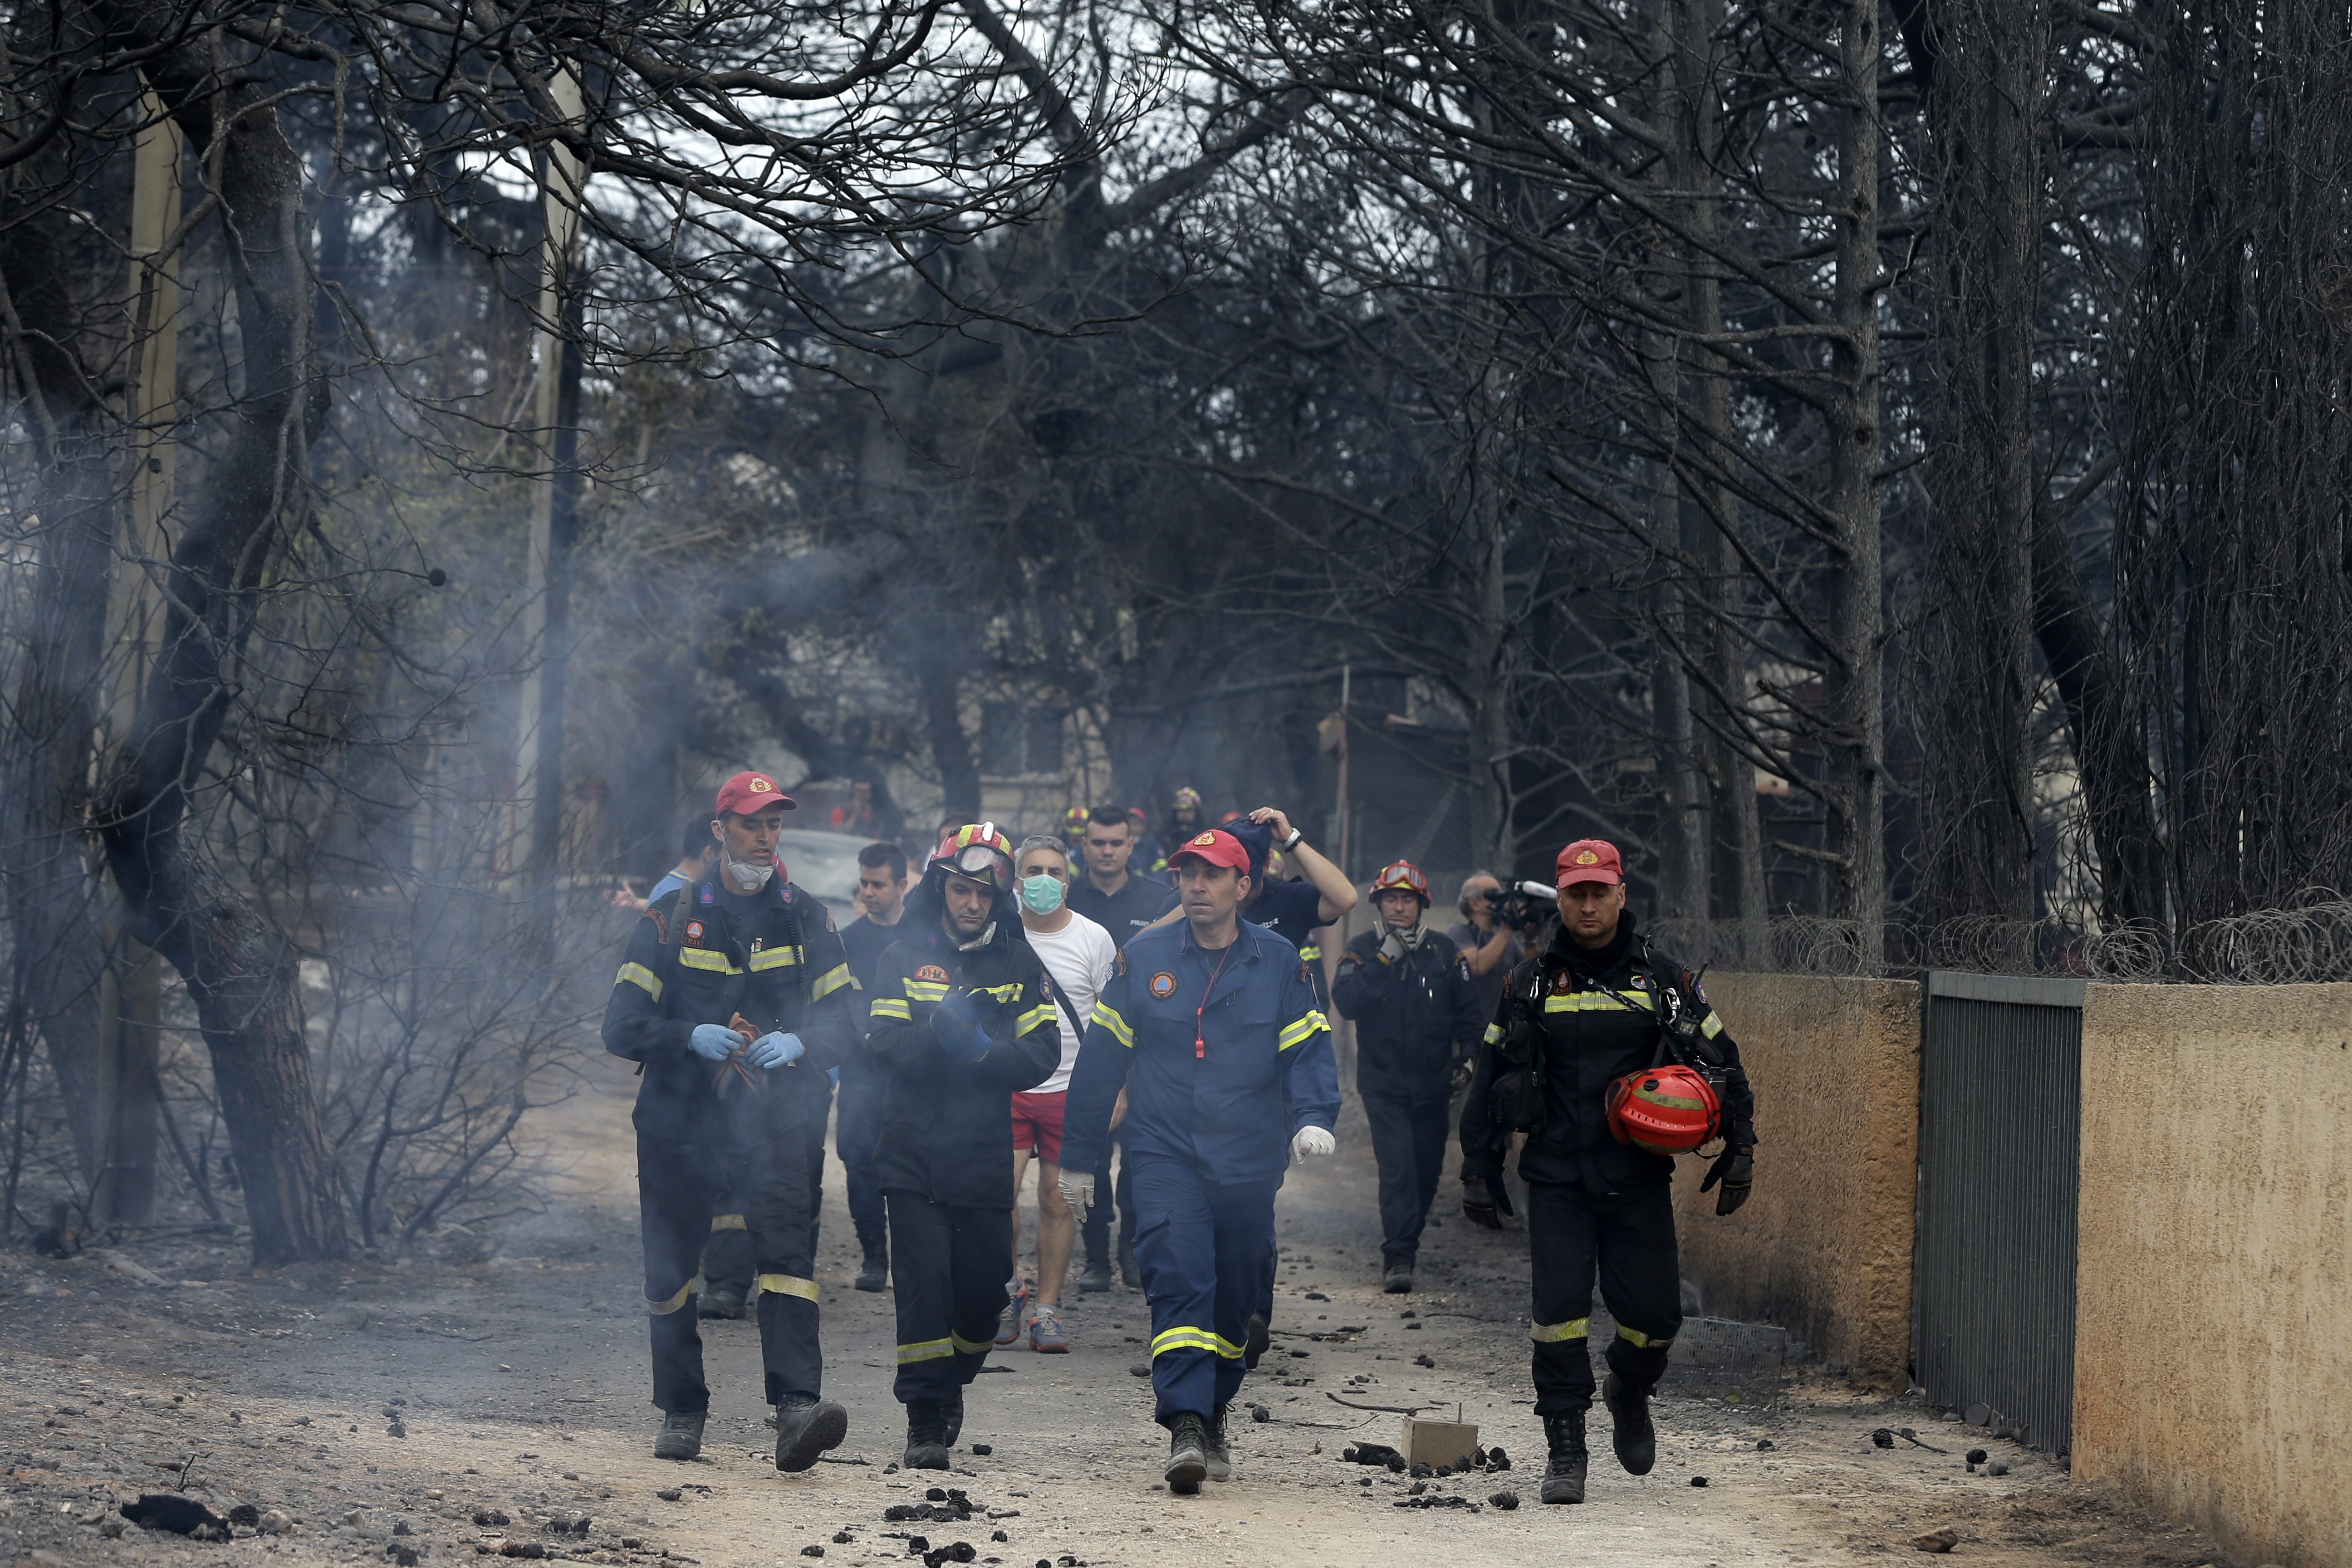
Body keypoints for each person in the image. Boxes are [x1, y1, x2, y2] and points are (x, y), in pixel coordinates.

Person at [1456, 839, 1759, 1506]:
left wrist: (1742, 1146)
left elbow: (1722, 1058)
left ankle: (1629, 1386)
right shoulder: (1529, 981)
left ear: (1622, 895)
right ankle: (1566, 1449)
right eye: (1575, 893)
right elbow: (1492, 1077)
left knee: (1655, 1318)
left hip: (1637, 1176)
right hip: (1558, 1178)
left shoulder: (1660, 977)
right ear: (1559, 898)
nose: (1587, 904)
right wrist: (1478, 1166)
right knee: (1558, 1316)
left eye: (1600, 892)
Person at [1058, 828, 1340, 1495]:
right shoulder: (1144, 956)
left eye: (1212, 876)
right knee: (1179, 1274)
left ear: (1244, 887)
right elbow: (1101, 1066)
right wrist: (1077, 1158)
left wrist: (1313, 1118)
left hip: (1248, 1159)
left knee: (1237, 1291)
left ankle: (1214, 1410)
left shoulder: (1278, 961)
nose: (1196, 887)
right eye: (1187, 875)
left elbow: (1307, 1049)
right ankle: (1184, 1420)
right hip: (1164, 1151)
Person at [601, 771, 862, 1472]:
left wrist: (805, 1043)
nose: (765, 837)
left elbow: (849, 1017)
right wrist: (688, 1035)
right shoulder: (668, 915)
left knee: (787, 1263)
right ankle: (683, 1409)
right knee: (671, 1271)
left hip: (780, 1118)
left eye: (774, 825)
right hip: (680, 1120)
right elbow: (621, 1026)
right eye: (752, 824)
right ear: (720, 831)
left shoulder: (808, 915)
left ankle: (797, 1410)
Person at [862, 823, 1063, 1469]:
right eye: (959, 889)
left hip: (981, 1151)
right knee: (922, 1286)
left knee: (982, 1296)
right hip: (912, 1147)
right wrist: (935, 1038)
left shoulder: (1017, 961)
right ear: (940, 888)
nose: (970, 903)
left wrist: (981, 1051)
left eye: (983, 892)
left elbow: (1041, 1053)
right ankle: (925, 1418)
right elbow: (884, 1044)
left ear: (999, 895)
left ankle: (955, 1378)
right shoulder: (899, 957)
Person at [1331, 859, 1485, 1294]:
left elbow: (1469, 1016)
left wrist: (1468, 1058)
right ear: (1378, 903)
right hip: (1383, 1087)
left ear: (1422, 905)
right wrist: (1383, 959)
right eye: (1391, 899)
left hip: (1435, 1085)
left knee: (1426, 1172)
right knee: (1398, 1170)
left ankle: (1406, 1239)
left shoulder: (1444, 952)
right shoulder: (1361, 948)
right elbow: (1347, 1004)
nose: (1399, 907)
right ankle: (1399, 1257)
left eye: (1408, 900)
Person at [996, 835, 1117, 1354]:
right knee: (996, 1196)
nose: (1043, 880)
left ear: (1068, 880)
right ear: (1016, 879)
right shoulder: (998, 933)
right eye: (1033, 870)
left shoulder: (1094, 939)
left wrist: (1119, 1090)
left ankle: (1047, 1311)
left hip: (1073, 1089)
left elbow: (1117, 1024)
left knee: (1059, 1199)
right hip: (1006, 1086)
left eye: (1053, 871)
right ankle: (1005, 1294)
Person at [1063, 804, 1176, 1290]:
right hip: (1086, 1050)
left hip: (1147, 1052)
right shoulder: (1066, 899)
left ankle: (1132, 1249)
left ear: (1132, 846)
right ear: (1083, 846)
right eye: (1098, 842)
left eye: (1116, 842)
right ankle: (1094, 1258)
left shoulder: (1159, 900)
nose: (1107, 851)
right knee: (1089, 1154)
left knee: (1140, 1156)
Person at [837, 841, 911, 1293]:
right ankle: (873, 1257)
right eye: (863, 883)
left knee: (908, 1167)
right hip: (861, 1071)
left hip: (911, 1072)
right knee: (858, 1160)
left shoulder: (922, 939)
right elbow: (837, 1004)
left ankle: (909, 1256)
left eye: (878, 884)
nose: (868, 892)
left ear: (902, 885)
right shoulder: (848, 941)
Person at [1447, 871, 1535, 1029]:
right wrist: (1507, 930)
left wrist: (1531, 939)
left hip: (1504, 1029)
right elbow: (1476, 967)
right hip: (1472, 1031)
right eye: (1494, 895)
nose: (1501, 900)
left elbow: (1529, 975)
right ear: (1474, 904)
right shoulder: (1459, 933)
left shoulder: (1506, 939)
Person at [609, 818, 721, 914]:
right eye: (726, 855)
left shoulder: (667, 888)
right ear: (710, 853)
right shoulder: (686, 898)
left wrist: (638, 903)